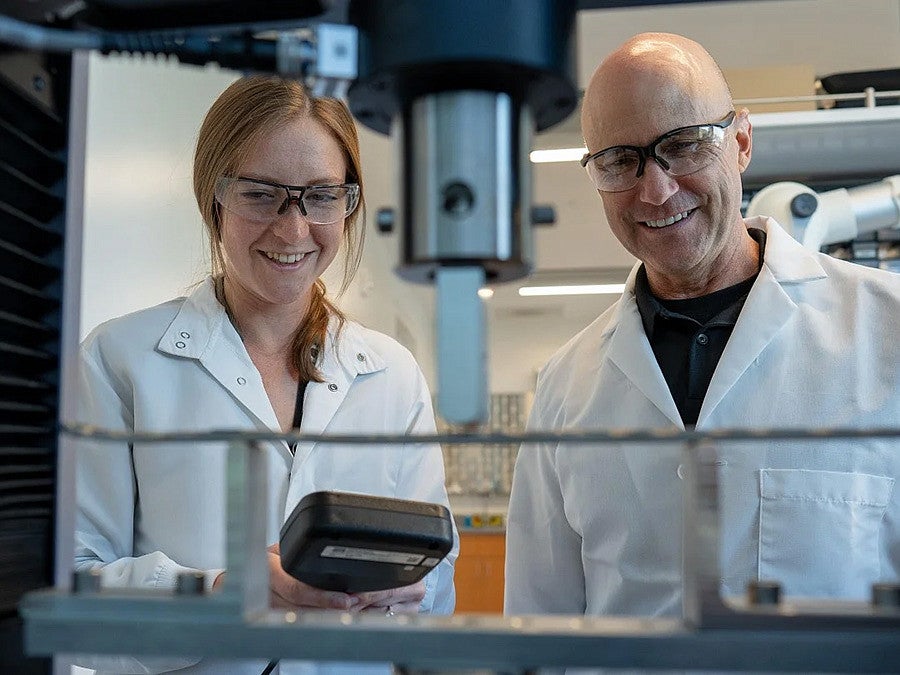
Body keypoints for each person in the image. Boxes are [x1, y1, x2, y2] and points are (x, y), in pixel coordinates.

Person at [505, 32, 900, 621]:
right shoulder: (567, 385)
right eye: (619, 161)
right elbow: (537, 620)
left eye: (684, 146)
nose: (655, 189)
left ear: (740, 142)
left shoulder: (886, 327)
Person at [73, 75, 457, 673]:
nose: (293, 228)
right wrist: (225, 595)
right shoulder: (121, 359)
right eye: (260, 193)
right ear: (214, 198)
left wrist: (408, 595)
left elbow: (436, 586)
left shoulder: (393, 375)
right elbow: (71, 594)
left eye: (322, 196)